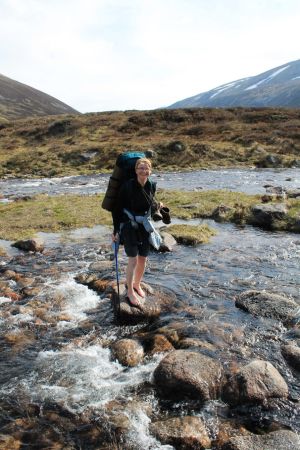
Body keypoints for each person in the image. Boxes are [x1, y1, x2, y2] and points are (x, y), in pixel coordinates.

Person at [112, 157, 161, 308]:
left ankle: (137, 284)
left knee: (143, 259)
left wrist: (157, 207)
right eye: (140, 168)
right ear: (135, 170)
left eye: (146, 168)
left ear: (150, 171)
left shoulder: (152, 185)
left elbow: (149, 206)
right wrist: (115, 230)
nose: (143, 170)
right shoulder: (128, 186)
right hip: (128, 225)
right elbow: (116, 208)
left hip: (144, 226)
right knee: (133, 260)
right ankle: (129, 292)